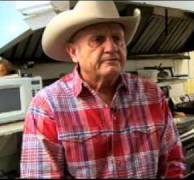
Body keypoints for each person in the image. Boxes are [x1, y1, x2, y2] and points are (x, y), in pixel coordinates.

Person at [20, 1, 185, 178]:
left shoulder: (152, 95)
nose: (111, 47)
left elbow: (173, 163)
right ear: (73, 52)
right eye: (98, 39)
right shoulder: (48, 106)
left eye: (117, 39)